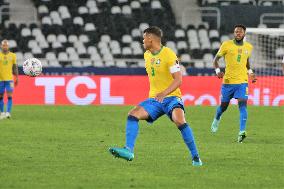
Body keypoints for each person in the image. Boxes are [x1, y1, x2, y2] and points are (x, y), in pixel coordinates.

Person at [109, 26, 202, 166]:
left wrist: (164, 93)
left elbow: (178, 80)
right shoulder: (147, 55)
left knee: (179, 120)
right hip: (154, 100)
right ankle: (128, 150)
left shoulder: (169, 55)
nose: (142, 41)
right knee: (133, 114)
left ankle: (196, 158)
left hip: (171, 97)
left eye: (144, 38)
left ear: (150, 38)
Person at [211, 24, 257, 143]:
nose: (238, 33)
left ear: (244, 33)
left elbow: (246, 62)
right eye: (236, 31)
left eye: (240, 32)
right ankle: (217, 118)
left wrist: (251, 72)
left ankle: (242, 132)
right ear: (234, 33)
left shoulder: (249, 47)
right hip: (228, 82)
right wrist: (217, 71)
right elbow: (215, 60)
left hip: (242, 82)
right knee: (224, 106)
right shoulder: (226, 44)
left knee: (242, 105)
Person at [0, 39, 18, 119]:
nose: (5, 47)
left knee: (10, 96)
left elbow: (15, 67)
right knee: (0, 96)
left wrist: (17, 77)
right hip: (0, 79)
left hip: (10, 79)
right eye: (3, 45)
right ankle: (2, 112)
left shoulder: (13, 55)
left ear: (8, 46)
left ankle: (8, 112)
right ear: (1, 46)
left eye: (6, 45)